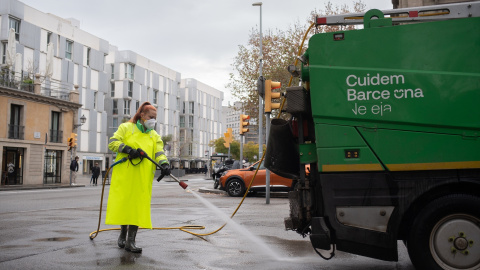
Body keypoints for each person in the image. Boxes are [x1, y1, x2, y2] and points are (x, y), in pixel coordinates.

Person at [106, 102, 170, 253]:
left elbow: (159, 153)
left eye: (155, 118)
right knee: (125, 205)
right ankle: (122, 234)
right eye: (150, 117)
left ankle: (130, 241)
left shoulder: (154, 136)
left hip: (143, 177)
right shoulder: (126, 128)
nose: (153, 121)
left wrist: (165, 165)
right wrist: (128, 149)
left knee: (137, 207)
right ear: (142, 115)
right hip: (125, 174)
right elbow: (113, 143)